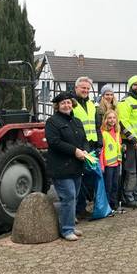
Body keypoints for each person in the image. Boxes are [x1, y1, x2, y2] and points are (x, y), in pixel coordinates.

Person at [45, 92, 89, 241]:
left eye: (68, 102)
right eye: (63, 103)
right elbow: (54, 142)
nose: (66, 105)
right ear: (58, 106)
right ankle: (66, 230)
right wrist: (74, 151)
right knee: (68, 196)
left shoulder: (77, 121)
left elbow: (84, 139)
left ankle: (69, 224)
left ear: (72, 104)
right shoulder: (52, 122)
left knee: (73, 197)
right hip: (61, 167)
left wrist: (85, 150)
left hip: (76, 167)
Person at [117, 75, 137, 208]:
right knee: (132, 170)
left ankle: (136, 195)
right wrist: (133, 139)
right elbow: (123, 122)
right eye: (135, 84)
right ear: (130, 86)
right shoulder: (125, 102)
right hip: (133, 143)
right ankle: (128, 196)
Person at [72, 76, 103, 219]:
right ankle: (78, 210)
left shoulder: (91, 105)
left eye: (87, 88)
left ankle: (83, 207)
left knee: (88, 179)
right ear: (76, 88)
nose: (85, 90)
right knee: (79, 179)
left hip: (91, 146)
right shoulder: (71, 104)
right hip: (78, 147)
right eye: (83, 88)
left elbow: (97, 126)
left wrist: (99, 143)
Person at [99, 109, 122, 211]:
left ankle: (114, 204)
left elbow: (118, 145)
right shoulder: (103, 132)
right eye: (109, 118)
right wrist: (102, 165)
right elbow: (102, 150)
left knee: (115, 185)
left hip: (116, 163)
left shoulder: (117, 131)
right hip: (107, 165)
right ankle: (107, 206)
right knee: (108, 186)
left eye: (114, 118)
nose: (112, 120)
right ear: (105, 119)